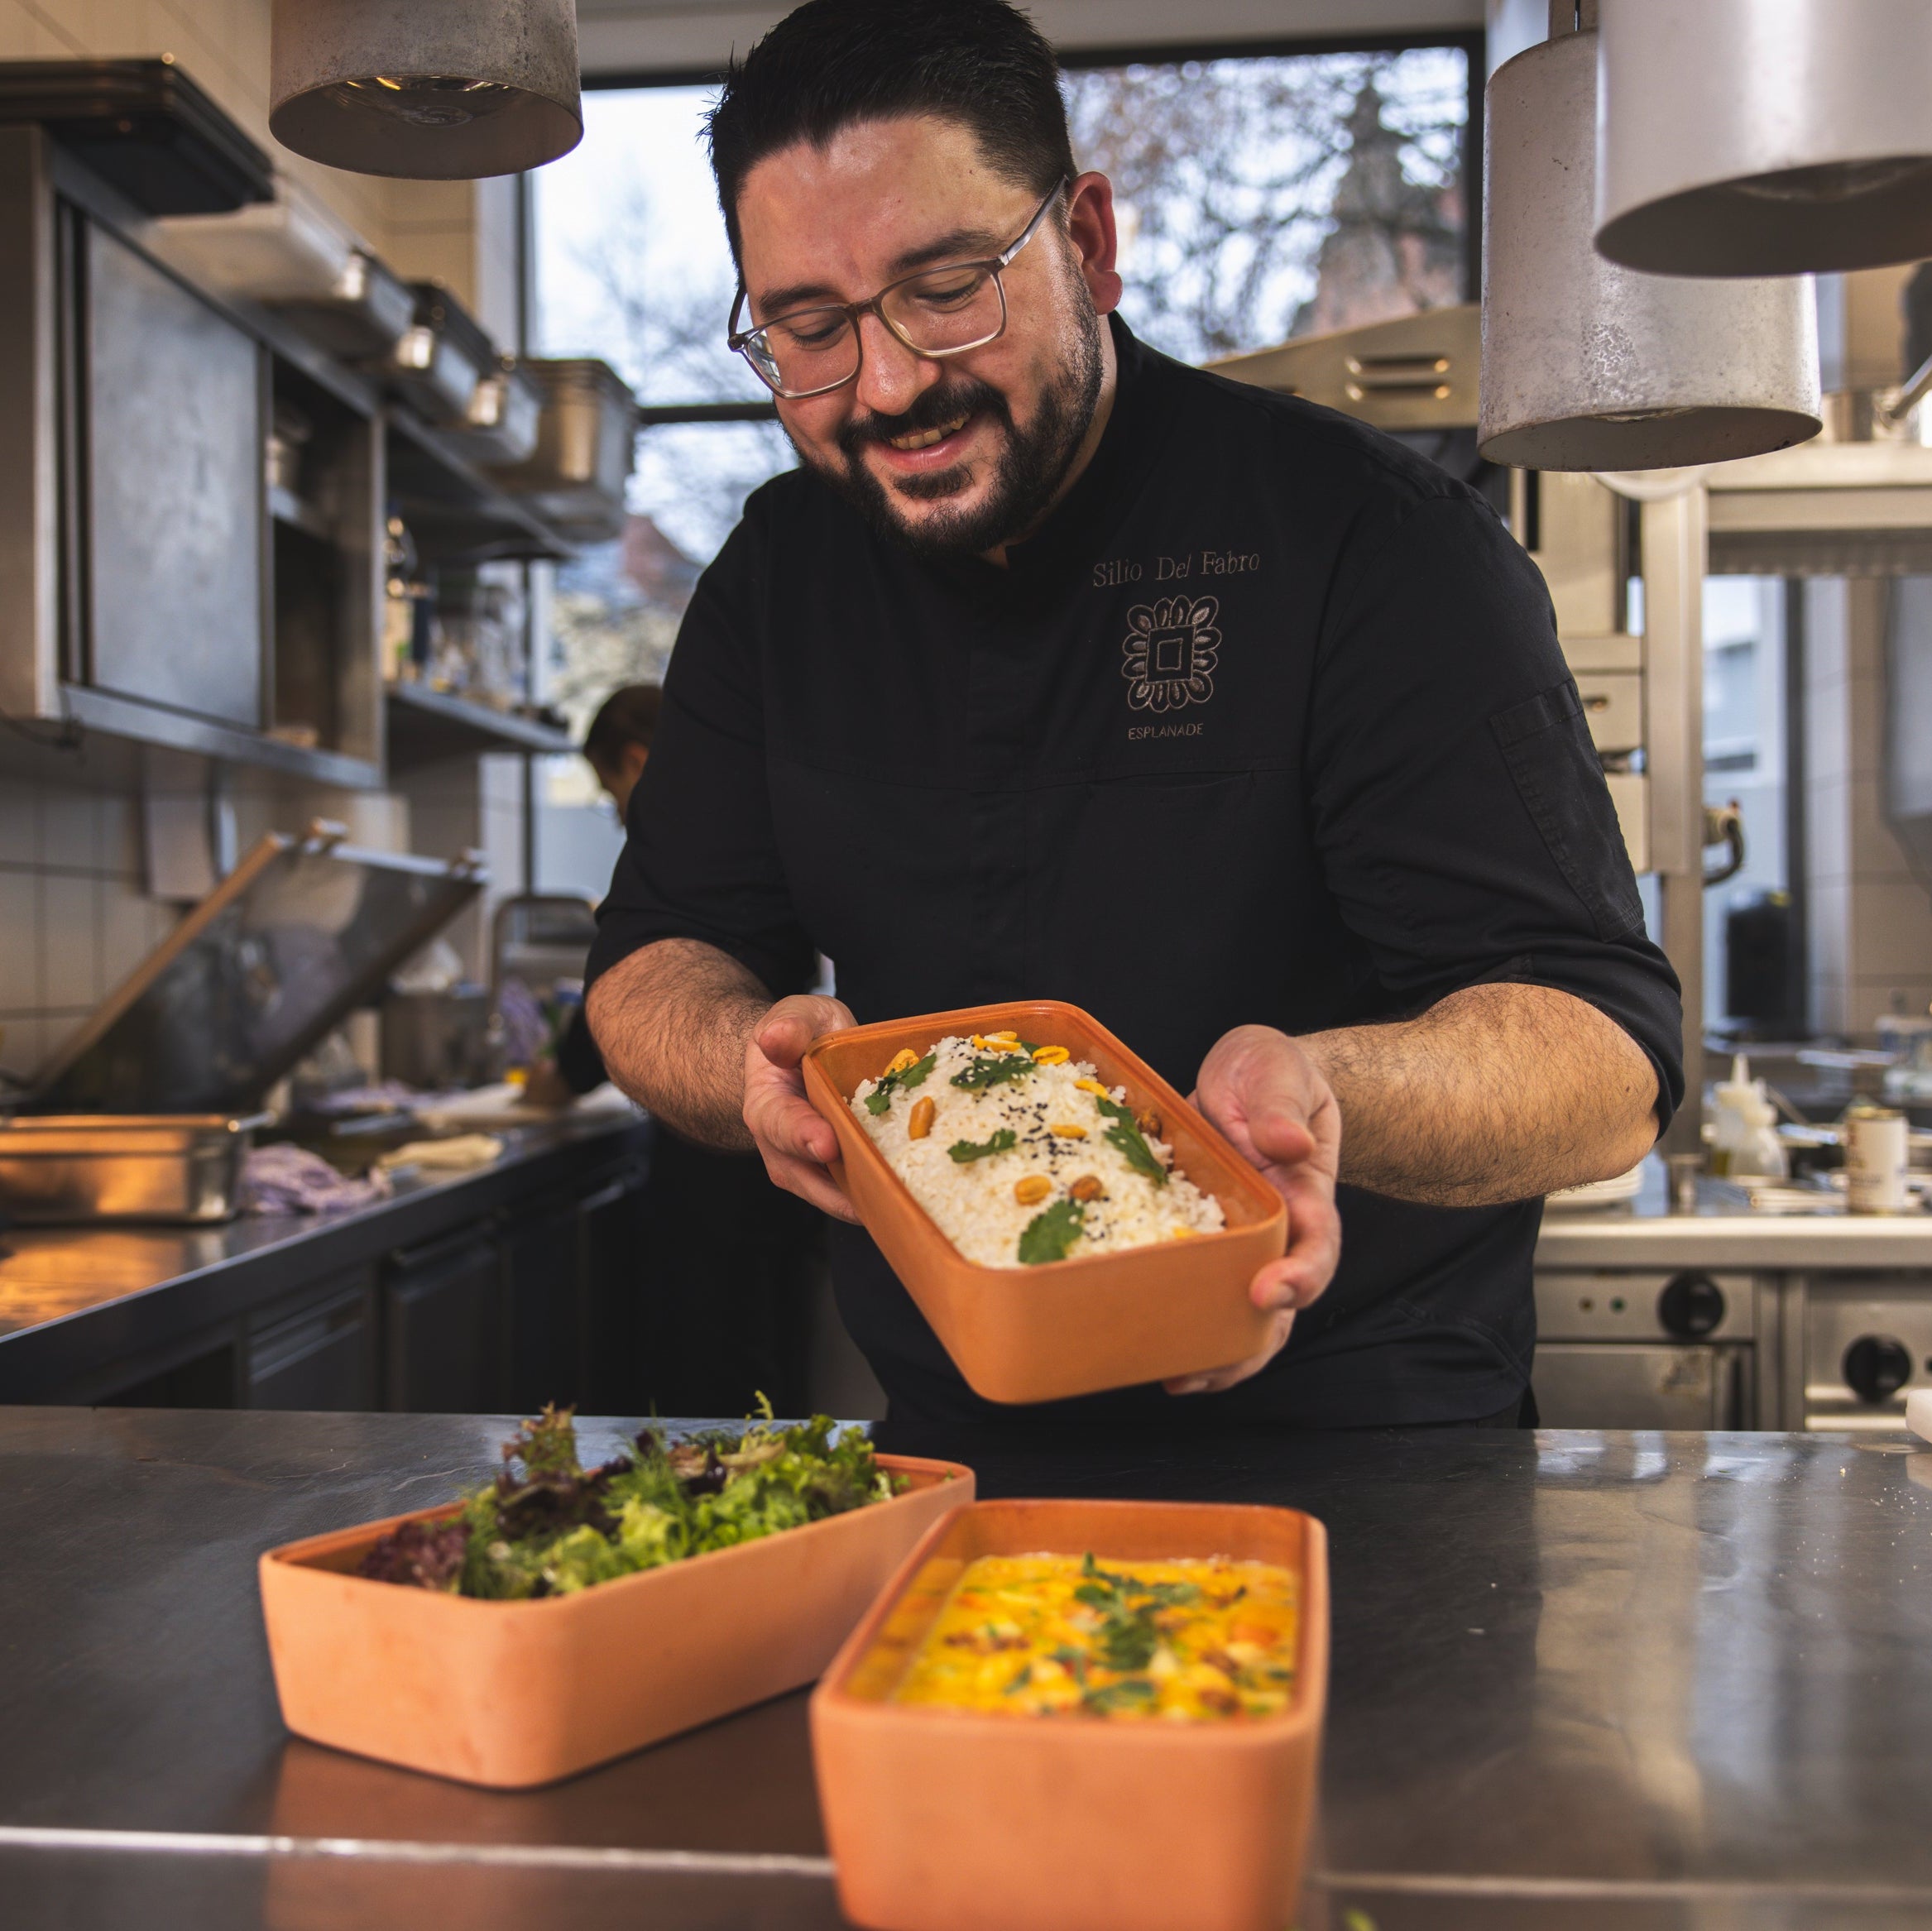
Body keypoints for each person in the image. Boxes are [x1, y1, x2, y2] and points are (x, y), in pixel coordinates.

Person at [585, 0, 1683, 1442]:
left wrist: (1320, 1089)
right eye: (810, 328)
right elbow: (652, 963)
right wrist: (754, 1068)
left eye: (947, 286)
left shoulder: (1371, 540)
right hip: (955, 1446)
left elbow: (1602, 1056)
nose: (893, 381)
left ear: (1090, 243)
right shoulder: (781, 577)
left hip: (1368, 1454)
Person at [532, 682, 822, 1416]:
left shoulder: (690, 841)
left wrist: (559, 1074)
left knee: (716, 1363)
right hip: (789, 1129)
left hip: (718, 1146)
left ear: (634, 762)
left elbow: (644, 960)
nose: (619, 809)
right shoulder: (772, 820)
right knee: (773, 1355)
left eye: (609, 791)